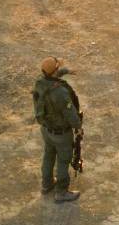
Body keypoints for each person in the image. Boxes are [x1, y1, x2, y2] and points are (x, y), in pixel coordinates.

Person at [33, 57, 83, 202]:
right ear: (55, 71)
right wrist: (78, 127)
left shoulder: (40, 82)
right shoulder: (60, 93)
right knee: (63, 160)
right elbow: (70, 113)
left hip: (47, 130)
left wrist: (66, 71)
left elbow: (52, 76)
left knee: (48, 155)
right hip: (61, 134)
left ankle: (47, 184)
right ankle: (61, 192)